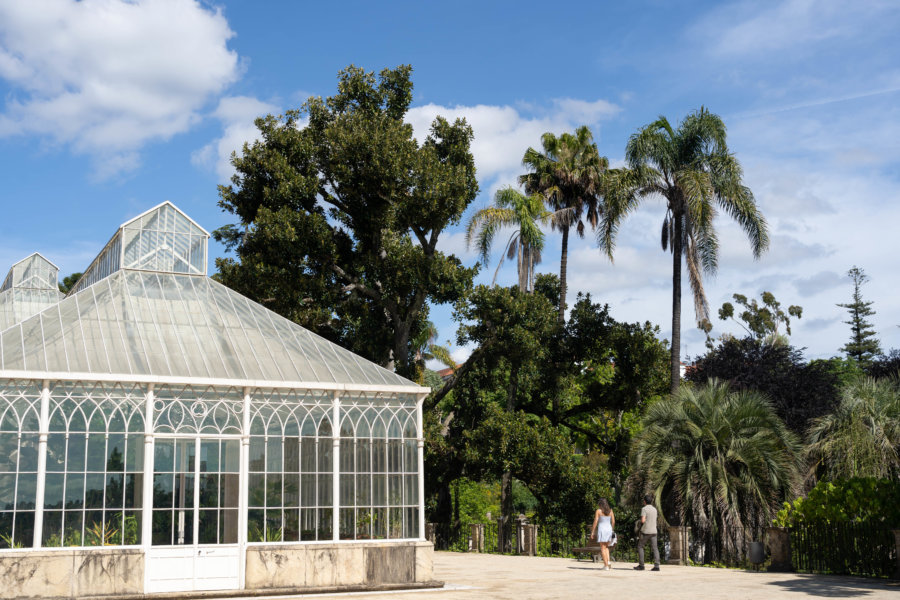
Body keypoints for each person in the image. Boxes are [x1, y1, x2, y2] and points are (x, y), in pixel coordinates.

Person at [634, 494, 660, 571]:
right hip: (654, 531)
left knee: (640, 546)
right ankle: (657, 566)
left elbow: (643, 520)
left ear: (644, 501)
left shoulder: (644, 509)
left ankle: (641, 565)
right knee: (655, 548)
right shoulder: (655, 509)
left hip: (645, 531)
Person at [590, 498, 615, 571]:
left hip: (602, 530)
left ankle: (606, 565)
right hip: (609, 530)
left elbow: (596, 521)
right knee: (606, 547)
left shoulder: (599, 511)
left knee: (602, 548)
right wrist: (612, 529)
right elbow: (613, 522)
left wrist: (593, 531)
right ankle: (608, 561)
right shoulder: (610, 511)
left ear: (600, 504)